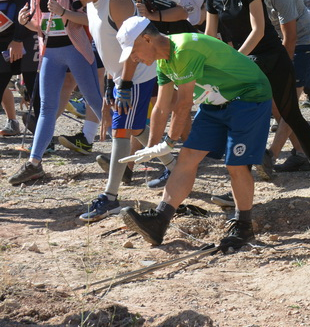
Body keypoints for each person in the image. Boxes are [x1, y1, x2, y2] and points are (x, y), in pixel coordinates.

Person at [116, 17, 273, 251]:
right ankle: (160, 220)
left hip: (249, 95)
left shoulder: (184, 50)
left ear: (147, 39)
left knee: (235, 165)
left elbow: (183, 104)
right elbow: (161, 106)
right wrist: (151, 146)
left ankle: (243, 224)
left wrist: (168, 142)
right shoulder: (164, 62)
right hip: (216, 100)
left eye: (134, 50)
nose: (134, 58)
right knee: (188, 156)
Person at [201, 0, 310, 196]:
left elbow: (259, 29)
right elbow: (209, 36)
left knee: (291, 115)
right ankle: (239, 184)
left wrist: (234, 62)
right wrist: (206, 63)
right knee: (244, 120)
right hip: (243, 62)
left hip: (270, 58)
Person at [65, 0, 169, 221]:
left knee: (120, 132)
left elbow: (135, 45)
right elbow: (106, 46)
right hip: (120, 76)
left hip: (136, 74)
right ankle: (173, 164)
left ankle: (110, 197)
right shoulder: (91, 3)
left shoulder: (117, 1)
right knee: (134, 128)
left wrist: (123, 83)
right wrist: (111, 83)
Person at [9, 0, 105, 185]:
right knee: (47, 109)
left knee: (95, 100)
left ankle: (129, 148)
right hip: (50, 51)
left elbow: (88, 19)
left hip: (76, 49)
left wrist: (64, 12)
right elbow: (42, 26)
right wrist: (24, 21)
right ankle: (34, 162)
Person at [0, 0, 38, 138]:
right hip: (3, 39)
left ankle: (44, 142)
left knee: (33, 91)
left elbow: (25, 3)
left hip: (23, 37)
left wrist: (17, 39)